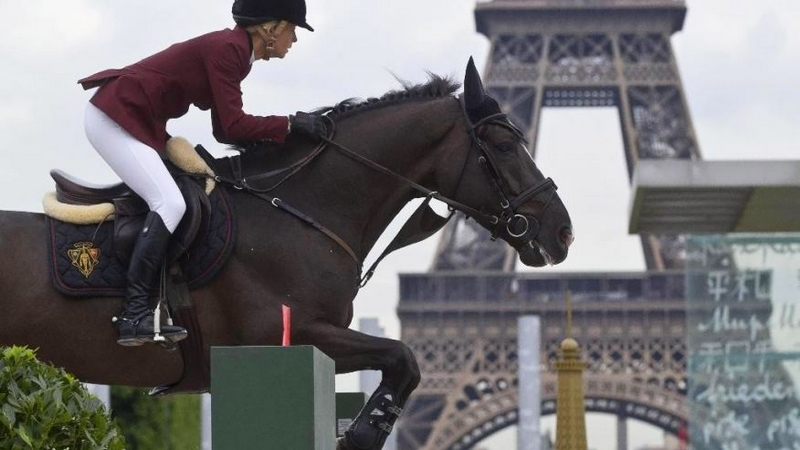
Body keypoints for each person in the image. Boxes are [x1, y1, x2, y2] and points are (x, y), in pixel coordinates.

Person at [78, 0, 326, 347]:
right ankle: (134, 313)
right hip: (114, 118)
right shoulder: (229, 49)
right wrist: (289, 124)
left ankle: (159, 304)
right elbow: (233, 124)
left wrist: (286, 130)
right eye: (293, 29)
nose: (294, 39)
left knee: (180, 197)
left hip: (133, 119)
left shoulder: (237, 54)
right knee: (170, 203)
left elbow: (225, 132)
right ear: (271, 29)